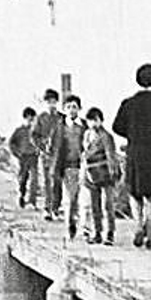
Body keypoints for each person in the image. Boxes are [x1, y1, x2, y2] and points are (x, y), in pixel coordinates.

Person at [112, 63, 151, 249]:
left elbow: (117, 126)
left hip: (136, 152)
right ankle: (150, 233)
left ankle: (139, 225)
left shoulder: (129, 103)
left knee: (136, 193)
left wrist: (132, 134)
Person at [79, 107, 121, 244]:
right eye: (90, 120)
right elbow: (84, 153)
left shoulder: (106, 136)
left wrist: (113, 172)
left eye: (96, 120)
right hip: (91, 172)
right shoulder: (86, 134)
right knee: (94, 205)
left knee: (108, 205)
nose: (93, 123)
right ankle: (97, 232)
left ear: (101, 121)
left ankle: (110, 233)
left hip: (105, 172)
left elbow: (110, 155)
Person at [50, 95, 86, 238]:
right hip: (67, 165)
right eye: (69, 107)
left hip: (83, 165)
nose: (71, 110)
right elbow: (52, 146)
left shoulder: (84, 126)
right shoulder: (60, 127)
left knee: (81, 198)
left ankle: (81, 225)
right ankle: (70, 222)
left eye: (74, 107)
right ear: (64, 109)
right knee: (70, 197)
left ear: (79, 109)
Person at [33, 88, 63, 217]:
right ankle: (47, 208)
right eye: (48, 102)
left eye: (53, 101)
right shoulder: (40, 118)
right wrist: (43, 146)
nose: (51, 104)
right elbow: (34, 136)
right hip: (45, 155)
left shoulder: (62, 118)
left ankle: (56, 207)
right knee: (47, 182)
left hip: (60, 155)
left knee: (57, 182)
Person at [9, 106, 40, 205]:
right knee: (23, 179)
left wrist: (39, 150)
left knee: (34, 179)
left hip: (33, 157)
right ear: (25, 118)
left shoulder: (36, 131)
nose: (30, 121)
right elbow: (11, 143)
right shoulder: (19, 131)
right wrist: (17, 153)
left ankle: (32, 200)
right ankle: (21, 195)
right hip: (23, 158)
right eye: (28, 118)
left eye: (32, 118)